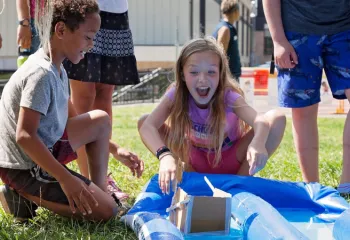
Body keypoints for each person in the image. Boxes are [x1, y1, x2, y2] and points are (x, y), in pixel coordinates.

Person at [0, 0, 136, 222]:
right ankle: (21, 194)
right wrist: (65, 178)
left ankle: (100, 192)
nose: (91, 45)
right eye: (88, 37)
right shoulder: (40, 75)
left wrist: (115, 149)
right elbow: (24, 136)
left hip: (44, 149)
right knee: (106, 212)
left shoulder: (58, 67)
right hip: (24, 167)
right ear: (61, 30)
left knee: (100, 120)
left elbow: (75, 121)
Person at [137, 37, 286, 194]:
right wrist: (165, 156)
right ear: (182, 74)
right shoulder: (177, 94)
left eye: (211, 72)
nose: (202, 79)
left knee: (277, 118)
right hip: (194, 164)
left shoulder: (228, 96)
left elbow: (261, 121)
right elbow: (147, 125)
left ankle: (240, 185)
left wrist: (258, 143)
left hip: (232, 161)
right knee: (144, 120)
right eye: (194, 72)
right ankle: (193, 182)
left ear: (220, 74)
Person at [262, 0, 350, 193]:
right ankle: (313, 188)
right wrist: (278, 40)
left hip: (344, 28)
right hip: (296, 29)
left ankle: (347, 184)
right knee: (303, 111)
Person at [62, 0, 141, 199]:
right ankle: (86, 180)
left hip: (116, 11)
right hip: (83, 7)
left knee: (105, 94)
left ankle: (102, 178)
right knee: (84, 96)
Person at [212, 0, 241, 82]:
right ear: (235, 11)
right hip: (228, 79)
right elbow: (220, 56)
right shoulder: (225, 29)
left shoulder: (229, 28)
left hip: (231, 77)